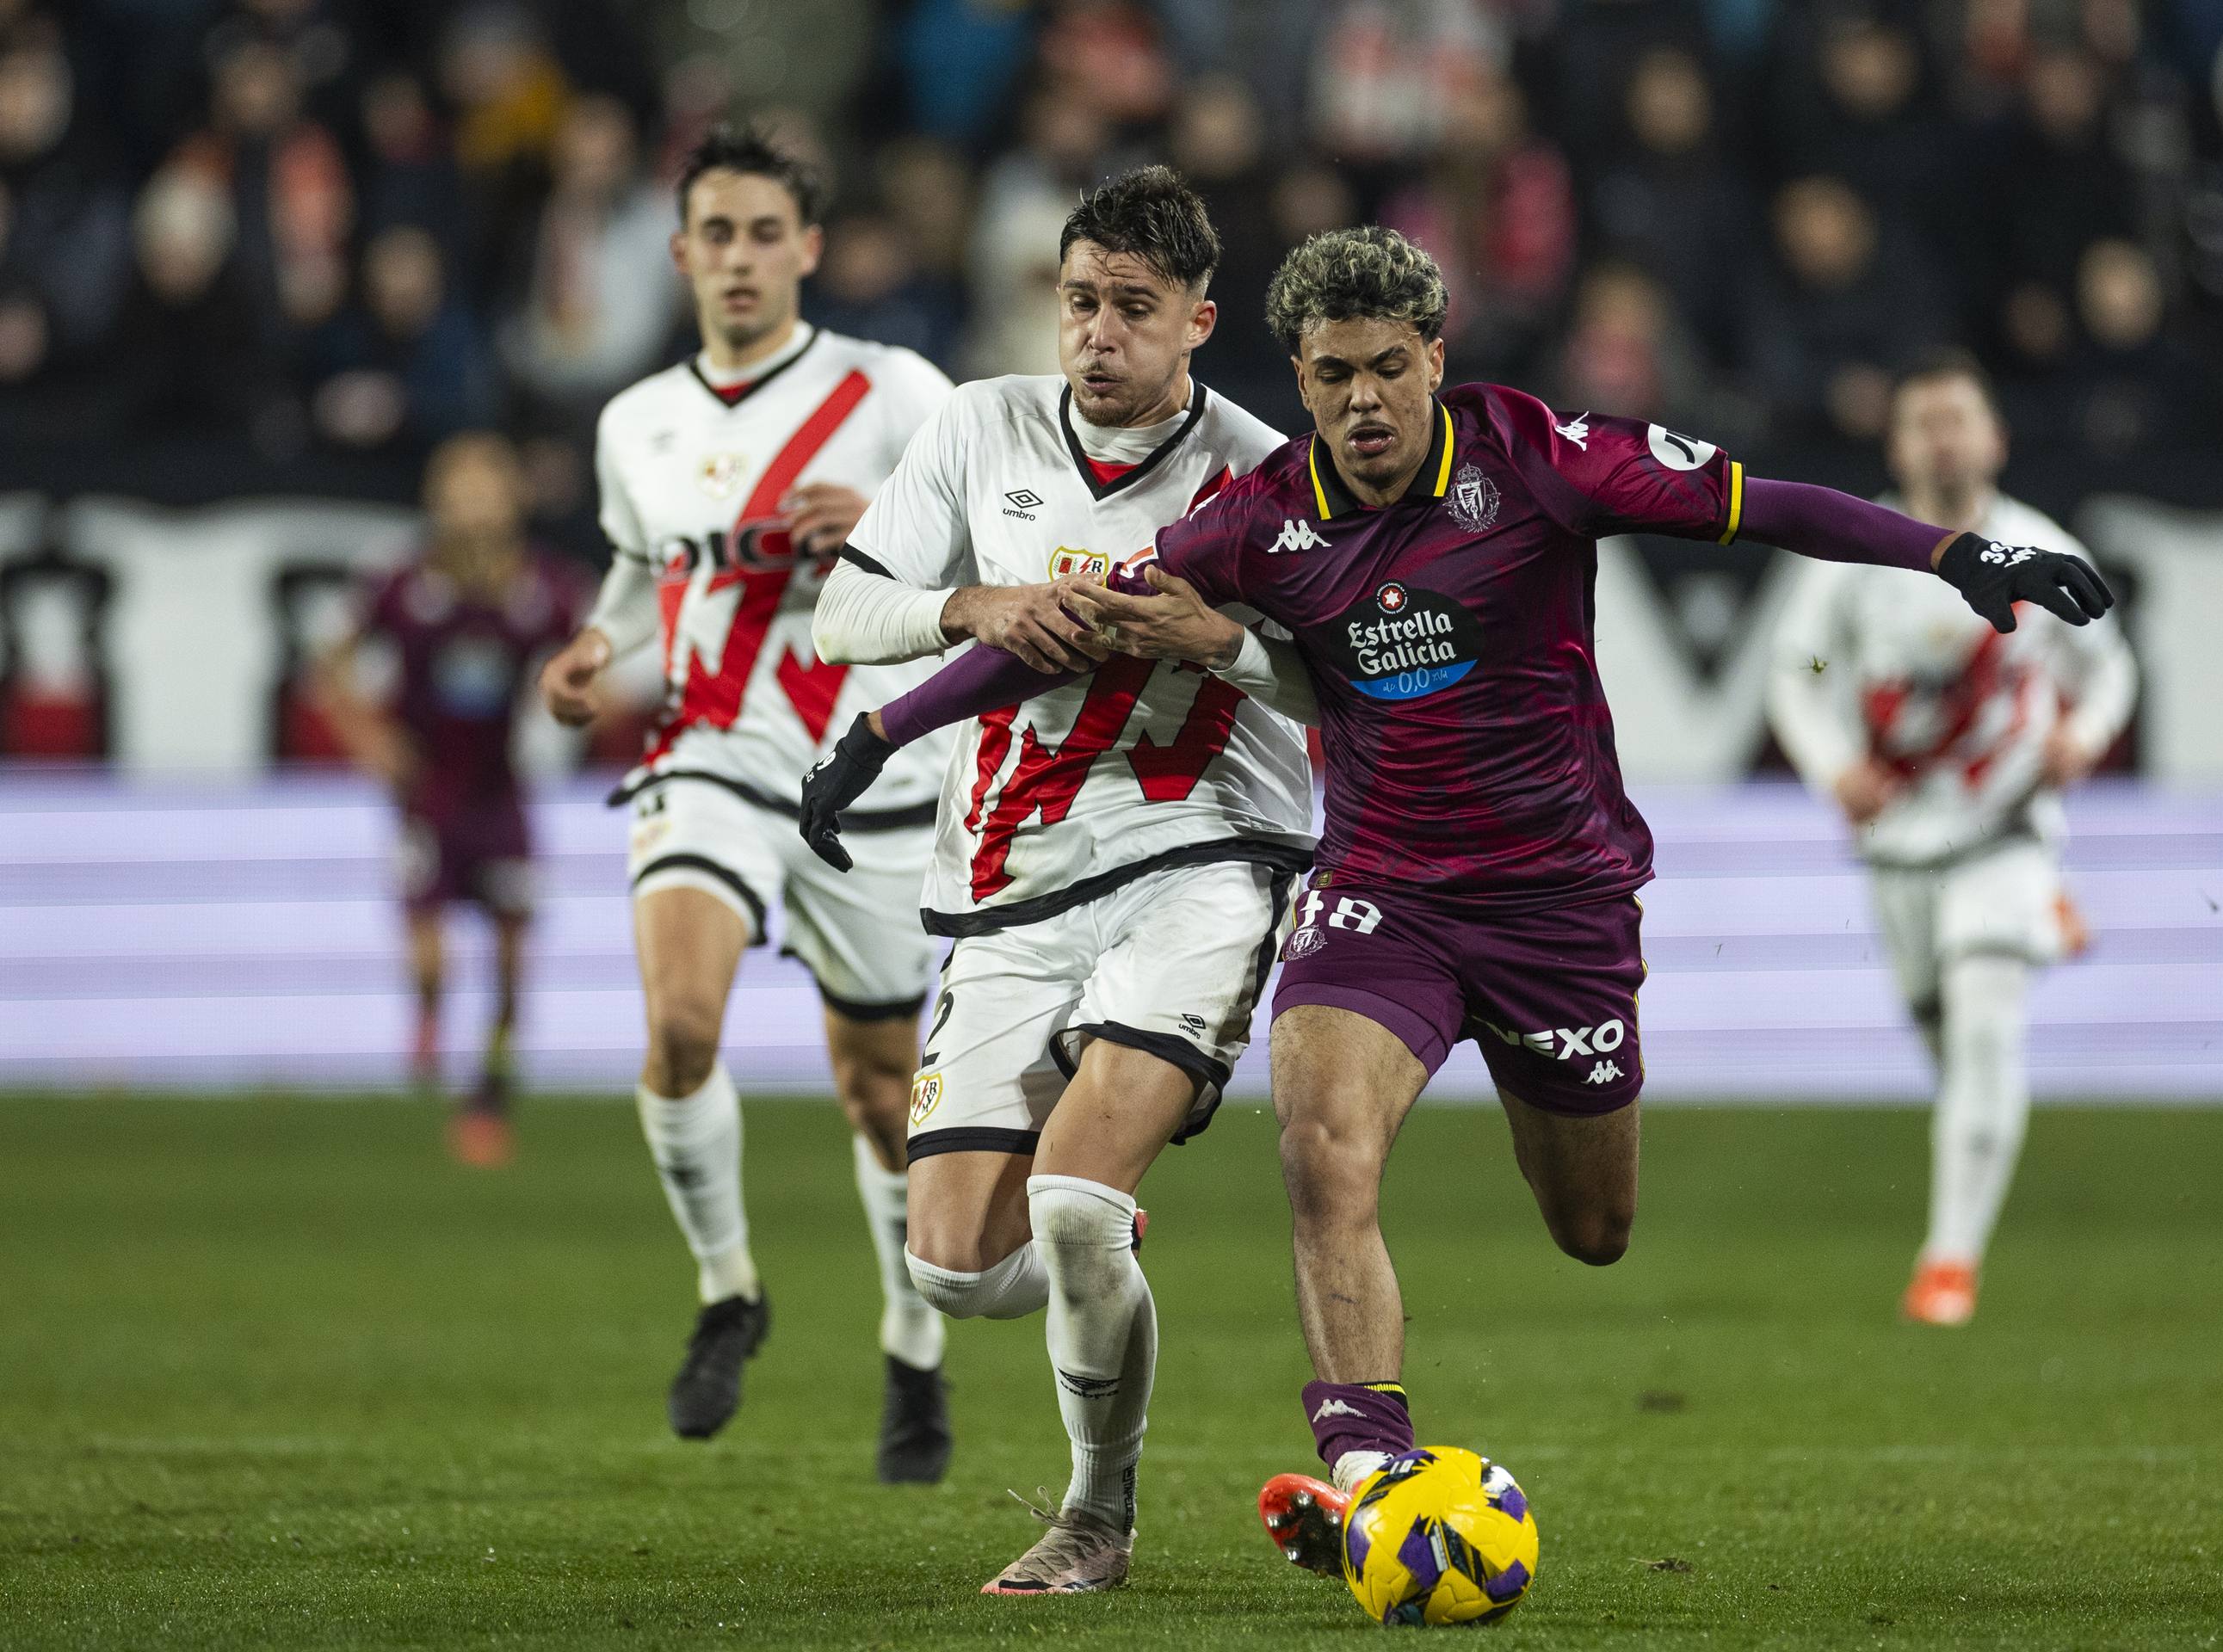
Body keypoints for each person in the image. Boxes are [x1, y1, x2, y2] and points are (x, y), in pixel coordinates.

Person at [799, 227, 2113, 1583]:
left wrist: (1960, 555)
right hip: (1382, 892)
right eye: (1330, 376)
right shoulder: (1261, 515)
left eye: (1385, 368)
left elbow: (1768, 505)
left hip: (1558, 905)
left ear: (1435, 358)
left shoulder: (1541, 455)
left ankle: (1378, 1455)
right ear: (1298, 383)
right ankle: (1370, 1470)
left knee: (1593, 1232)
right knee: (1320, 1139)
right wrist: (882, 735)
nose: (1362, 402)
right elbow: (1081, 622)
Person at [803, 165, 1312, 1595]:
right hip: (1007, 879)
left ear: (1197, 322)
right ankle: (1108, 1282)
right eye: (1079, 300)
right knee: (959, 1267)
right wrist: (972, 602)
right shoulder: (979, 426)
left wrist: (1215, 638)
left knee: (1077, 1203)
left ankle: (1097, 1519)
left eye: (1131, 309)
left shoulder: (1265, 478)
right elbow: (848, 610)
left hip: (1196, 857)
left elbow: (1343, 692)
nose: (1095, 332)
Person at [531, 125, 962, 1473]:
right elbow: (637, 587)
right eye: (714, 234)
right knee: (677, 1025)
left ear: (809, 250)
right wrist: (597, 654)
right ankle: (729, 1290)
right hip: (706, 753)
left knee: (884, 1092)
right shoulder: (635, 422)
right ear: (679, 255)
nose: (738, 258)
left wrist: (886, 522)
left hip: (868, 771)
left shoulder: (890, 390)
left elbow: (997, 534)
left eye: (763, 233)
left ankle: (912, 1345)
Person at [1767, 351, 2136, 1328]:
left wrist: (2083, 737)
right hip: (1899, 841)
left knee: (1982, 1027)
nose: (1942, 438)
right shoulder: (1858, 560)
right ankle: (2038, 930)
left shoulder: (2042, 550)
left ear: (1994, 437)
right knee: (1949, 1045)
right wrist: (1833, 763)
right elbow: (1796, 671)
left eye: (1957, 419)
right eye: (1923, 421)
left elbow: (2110, 670)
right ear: (1896, 443)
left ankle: (1947, 1266)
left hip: (2007, 825)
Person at [315, 432, 585, 1166]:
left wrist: (576, 703)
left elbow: (596, 665)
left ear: (513, 500)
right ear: (436, 500)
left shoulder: (544, 589)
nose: (471, 505)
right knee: (431, 959)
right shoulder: (403, 586)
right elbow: (330, 666)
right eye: (458, 489)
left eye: (485, 488)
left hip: (501, 798)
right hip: (425, 799)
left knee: (507, 961)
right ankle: (428, 1022)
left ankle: (489, 1095)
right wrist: (369, 740)